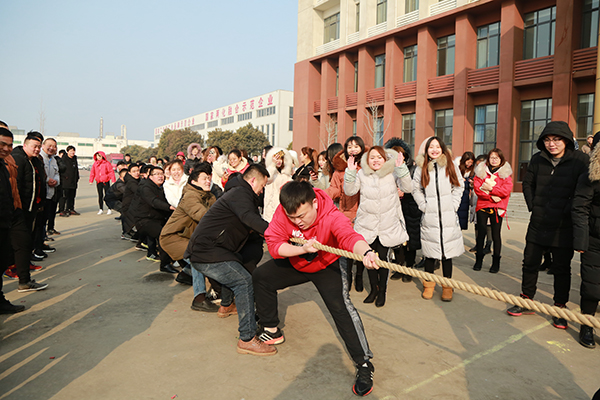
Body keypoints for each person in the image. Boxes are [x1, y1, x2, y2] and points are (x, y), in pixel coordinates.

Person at [253, 181, 378, 396]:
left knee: (341, 309)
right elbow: (274, 244)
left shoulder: (331, 215)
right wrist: (300, 249)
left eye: (302, 216)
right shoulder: (284, 213)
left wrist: (366, 252)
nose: (297, 222)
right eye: (292, 218)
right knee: (262, 277)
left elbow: (349, 237)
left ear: (314, 203)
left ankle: (364, 363)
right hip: (299, 259)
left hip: (327, 264)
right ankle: (271, 330)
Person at [185, 164, 274, 356]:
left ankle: (226, 305)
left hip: (214, 250)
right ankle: (247, 339)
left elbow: (248, 226)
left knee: (239, 263)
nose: (262, 190)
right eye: (262, 185)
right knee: (243, 280)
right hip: (206, 253)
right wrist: (276, 233)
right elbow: (249, 218)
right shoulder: (241, 194)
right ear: (253, 181)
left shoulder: (240, 194)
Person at [508, 121, 589, 330]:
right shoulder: (538, 159)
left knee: (561, 268)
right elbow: (528, 183)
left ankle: (559, 309)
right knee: (530, 262)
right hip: (539, 222)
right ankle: (526, 300)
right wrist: (533, 204)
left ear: (567, 140)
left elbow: (584, 193)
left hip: (564, 225)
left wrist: (568, 209)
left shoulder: (580, 161)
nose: (551, 144)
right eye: (547, 139)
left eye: (556, 139)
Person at [344, 146, 411, 307]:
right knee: (369, 259)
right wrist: (350, 172)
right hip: (367, 225)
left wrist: (402, 168)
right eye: (372, 157)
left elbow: (408, 188)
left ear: (385, 159)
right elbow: (349, 190)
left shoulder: (393, 172)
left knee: (383, 260)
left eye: (379, 157)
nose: (375, 160)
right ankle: (373, 289)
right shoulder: (362, 174)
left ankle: (382, 292)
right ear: (367, 160)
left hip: (387, 224)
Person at [160, 162, 218, 312]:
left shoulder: (208, 195)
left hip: (188, 237)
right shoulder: (190, 197)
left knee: (200, 255)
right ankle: (199, 299)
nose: (208, 181)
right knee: (196, 257)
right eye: (204, 178)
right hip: (173, 237)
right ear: (193, 181)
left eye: (209, 178)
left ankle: (185, 275)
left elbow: (220, 210)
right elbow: (205, 216)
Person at [412, 136, 464, 302]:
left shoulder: (450, 165)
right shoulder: (422, 167)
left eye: (437, 146)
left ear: (442, 148)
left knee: (447, 255)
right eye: (430, 147)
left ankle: (447, 287)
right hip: (430, 217)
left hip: (448, 216)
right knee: (430, 254)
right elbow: (416, 189)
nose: (434, 150)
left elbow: (459, 186)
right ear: (426, 150)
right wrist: (424, 206)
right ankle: (429, 286)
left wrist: (453, 204)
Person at [325, 137, 366, 292]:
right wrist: (322, 194)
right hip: (346, 213)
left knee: (362, 246)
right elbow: (335, 189)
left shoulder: (367, 168)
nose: (353, 149)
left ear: (362, 148)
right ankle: (348, 277)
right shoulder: (339, 170)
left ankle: (360, 276)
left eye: (356, 146)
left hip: (363, 213)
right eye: (349, 146)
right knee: (347, 248)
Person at [11, 132, 49, 292]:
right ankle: (23, 279)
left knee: (25, 244)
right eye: (35, 146)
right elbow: (16, 187)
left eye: (39, 146)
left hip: (31, 208)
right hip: (18, 210)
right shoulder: (18, 160)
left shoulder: (34, 161)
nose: (37, 149)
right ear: (25, 145)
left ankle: (24, 279)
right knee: (22, 245)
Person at [572, 133, 600, 349]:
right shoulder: (591, 174)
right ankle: (587, 325)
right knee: (591, 287)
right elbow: (580, 207)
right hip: (594, 240)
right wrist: (581, 241)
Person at [385, 138, 422, 283]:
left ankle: (409, 268)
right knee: (397, 242)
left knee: (410, 241)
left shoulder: (413, 169)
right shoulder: (388, 170)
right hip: (394, 208)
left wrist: (405, 192)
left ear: (405, 155)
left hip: (410, 209)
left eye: (400, 154)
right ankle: (400, 266)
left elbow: (417, 188)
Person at [129, 166, 177, 273]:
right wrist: (170, 207)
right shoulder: (146, 187)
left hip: (157, 218)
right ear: (150, 177)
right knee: (163, 236)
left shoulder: (163, 186)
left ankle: (172, 258)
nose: (160, 176)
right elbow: (153, 201)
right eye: (156, 174)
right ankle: (164, 264)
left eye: (161, 173)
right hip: (144, 220)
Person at [472, 148, 512, 273]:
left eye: (496, 158)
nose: (494, 160)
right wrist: (492, 195)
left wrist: (490, 189)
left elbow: (505, 191)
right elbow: (478, 189)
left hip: (497, 207)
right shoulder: (481, 171)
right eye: (492, 157)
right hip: (483, 205)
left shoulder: (505, 173)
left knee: (496, 235)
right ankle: (478, 260)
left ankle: (496, 262)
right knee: (481, 234)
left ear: (501, 159)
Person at [0, 126, 27, 312]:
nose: (6, 149)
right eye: (2, 144)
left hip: (6, 220)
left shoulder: (3, 165)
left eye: (9, 145)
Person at [263, 147, 295, 222]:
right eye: (276, 159)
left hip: (282, 207)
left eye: (281, 159)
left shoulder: (287, 175)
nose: (279, 161)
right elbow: (268, 178)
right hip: (270, 208)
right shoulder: (270, 173)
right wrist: (272, 165)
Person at [40, 138, 61, 241]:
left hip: (50, 194)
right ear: (43, 146)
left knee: (45, 218)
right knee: (39, 220)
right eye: (50, 145)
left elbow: (57, 173)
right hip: (41, 194)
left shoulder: (53, 160)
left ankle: (43, 238)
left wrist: (56, 181)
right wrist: (47, 180)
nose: (52, 148)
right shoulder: (39, 158)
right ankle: (39, 242)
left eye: (54, 146)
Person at [89, 151, 116, 215]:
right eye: (97, 156)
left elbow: (111, 172)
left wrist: (113, 180)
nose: (99, 157)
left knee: (107, 195)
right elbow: (92, 172)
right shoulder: (95, 164)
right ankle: (101, 209)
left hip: (105, 181)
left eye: (100, 156)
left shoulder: (107, 163)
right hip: (99, 182)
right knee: (100, 195)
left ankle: (109, 208)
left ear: (103, 156)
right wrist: (91, 180)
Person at [58, 145, 80, 216]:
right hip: (65, 182)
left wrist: (77, 178)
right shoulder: (63, 159)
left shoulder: (74, 159)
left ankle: (70, 209)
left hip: (73, 182)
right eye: (70, 151)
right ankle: (62, 210)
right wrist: (64, 177)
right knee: (64, 197)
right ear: (67, 152)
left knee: (72, 196)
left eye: (73, 151)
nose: (72, 152)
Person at [457, 151, 475, 230]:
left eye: (471, 162)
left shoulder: (473, 171)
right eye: (468, 162)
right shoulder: (457, 169)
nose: (469, 164)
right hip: (457, 195)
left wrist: (471, 182)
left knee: (463, 216)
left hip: (466, 196)